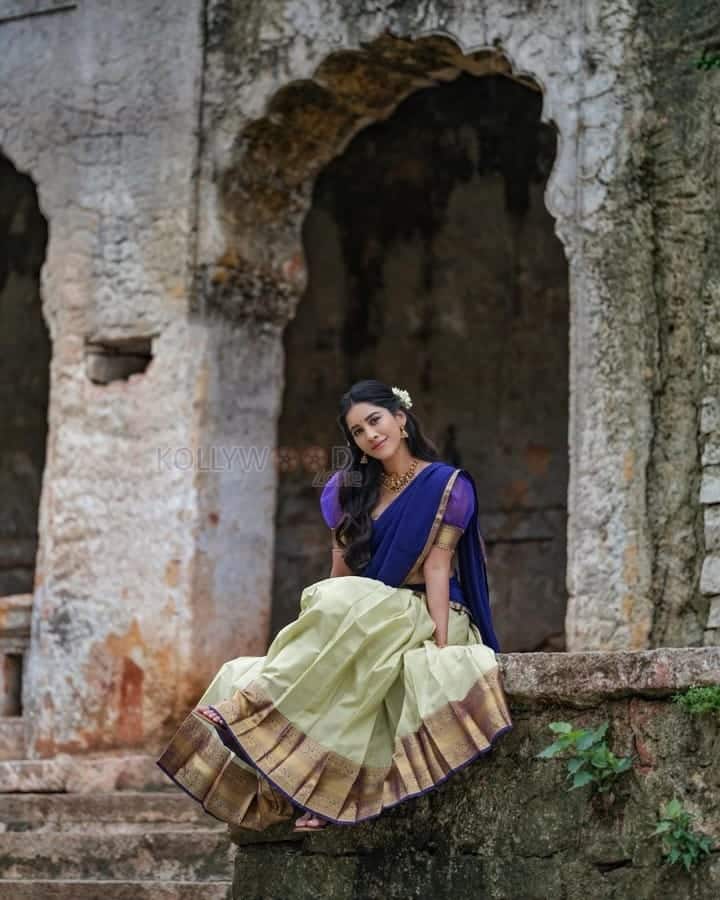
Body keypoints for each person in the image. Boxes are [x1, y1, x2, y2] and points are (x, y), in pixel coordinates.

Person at [156, 379, 513, 832]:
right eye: (358, 431)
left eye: (375, 421)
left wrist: (442, 645)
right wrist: (315, 637)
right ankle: (306, 789)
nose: (370, 435)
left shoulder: (446, 486)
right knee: (252, 663)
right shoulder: (347, 490)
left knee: (351, 616)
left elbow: (439, 567)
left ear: (400, 418)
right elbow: (339, 576)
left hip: (422, 611)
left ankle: (256, 708)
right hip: (366, 611)